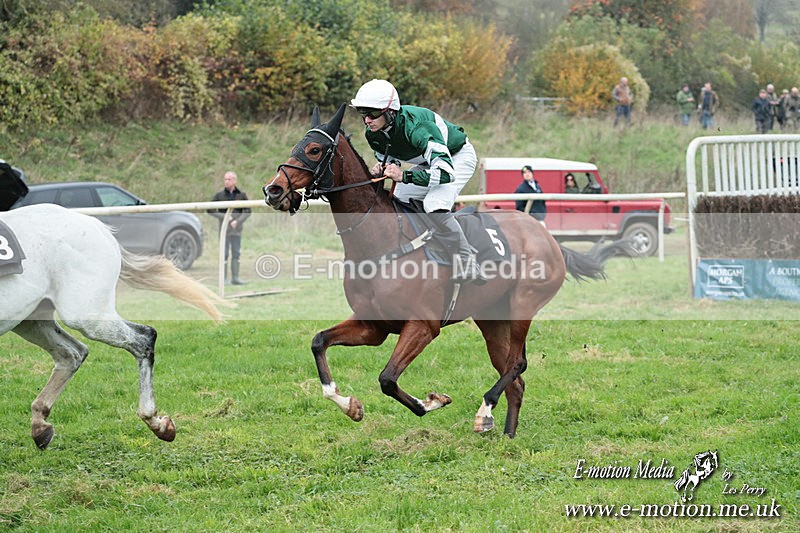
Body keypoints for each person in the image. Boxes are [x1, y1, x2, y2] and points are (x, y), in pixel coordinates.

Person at [350, 79, 483, 283]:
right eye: (363, 113)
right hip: (427, 161)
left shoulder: (417, 128)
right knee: (399, 197)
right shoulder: (373, 134)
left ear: (390, 111)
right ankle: (420, 245)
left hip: (456, 158)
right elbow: (391, 161)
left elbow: (446, 172)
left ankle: (468, 260)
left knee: (434, 204)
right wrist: (383, 168)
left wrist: (404, 176)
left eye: (373, 113)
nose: (367, 120)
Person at [209, 170, 250, 285]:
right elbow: (210, 209)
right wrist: (226, 218)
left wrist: (238, 221)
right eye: (225, 179)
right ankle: (224, 279)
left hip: (237, 230)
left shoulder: (242, 195)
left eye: (229, 179)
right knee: (224, 253)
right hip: (224, 230)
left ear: (235, 181)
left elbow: (247, 211)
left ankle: (235, 278)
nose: (226, 181)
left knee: (236, 253)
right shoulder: (219, 195)